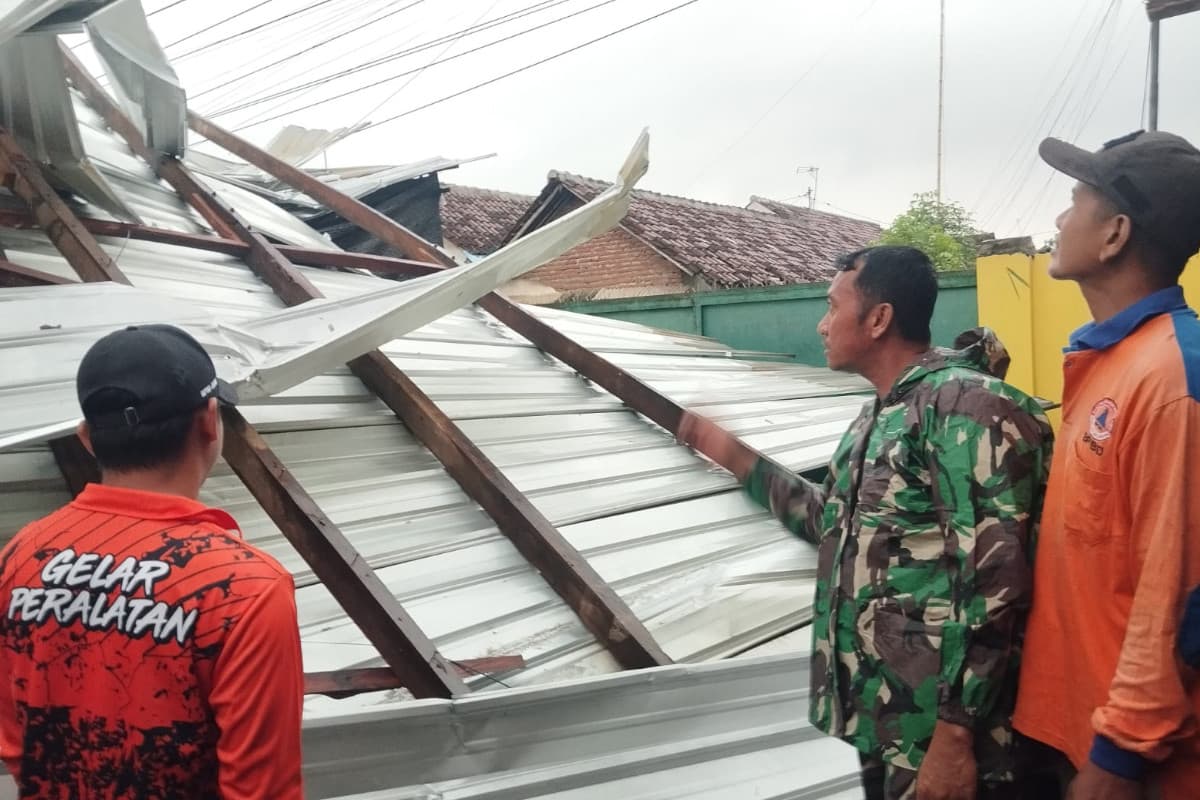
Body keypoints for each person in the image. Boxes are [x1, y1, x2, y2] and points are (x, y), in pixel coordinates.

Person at [678, 246, 1053, 800]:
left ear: (878, 319)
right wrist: (739, 460)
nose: (821, 324)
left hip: (955, 740)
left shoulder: (966, 408)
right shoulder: (877, 418)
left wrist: (954, 736)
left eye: (833, 306)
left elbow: (995, 586)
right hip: (889, 724)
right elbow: (832, 524)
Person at [0, 324, 304, 799]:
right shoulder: (246, 590)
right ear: (209, 420)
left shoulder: (20, 557)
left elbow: (16, 741)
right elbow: (263, 789)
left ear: (86, 437)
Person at [1012, 130, 1200, 800]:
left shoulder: (1174, 379)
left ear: (1115, 233)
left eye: (1075, 201)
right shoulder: (1112, 362)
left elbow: (1179, 592)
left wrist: (1119, 758)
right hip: (1077, 728)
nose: (1061, 220)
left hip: (1137, 769)